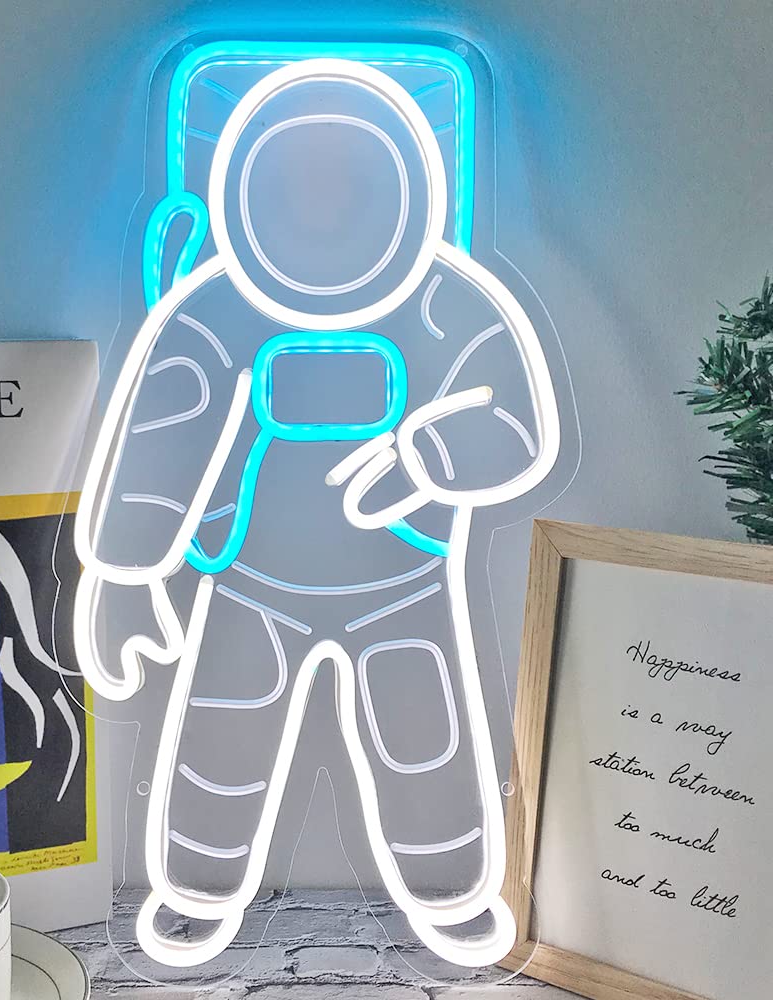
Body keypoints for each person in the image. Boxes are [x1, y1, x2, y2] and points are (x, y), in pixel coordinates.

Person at [75, 58, 565, 967]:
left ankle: (453, 890)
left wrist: (428, 456)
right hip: (248, 583)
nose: (325, 212)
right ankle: (196, 888)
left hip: (407, 583)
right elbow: (162, 428)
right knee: (221, 741)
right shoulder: (219, 303)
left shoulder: (445, 298)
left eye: (349, 185)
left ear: (408, 188)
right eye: (300, 186)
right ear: (248, 192)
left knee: (426, 746)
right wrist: (125, 571)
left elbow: (516, 418)